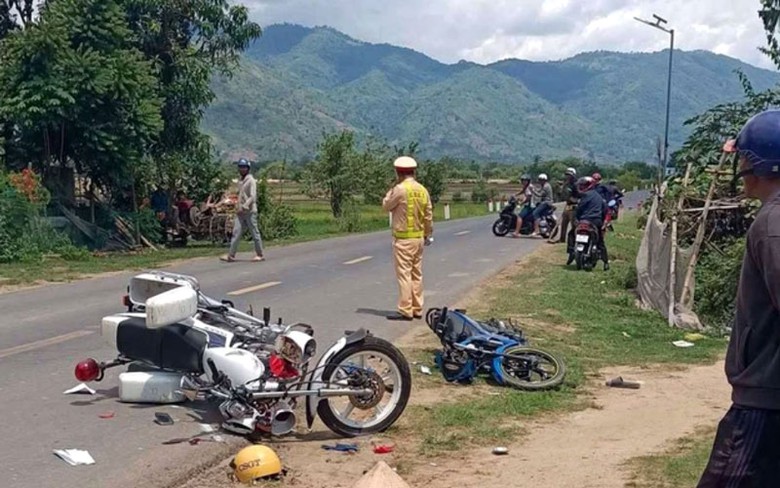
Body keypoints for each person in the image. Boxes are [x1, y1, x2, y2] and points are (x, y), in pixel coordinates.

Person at [696, 109, 780, 488]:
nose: (740, 166)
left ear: (761, 162)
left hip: (765, 407)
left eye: (743, 157)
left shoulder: (773, 224)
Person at [382, 156, 433, 321]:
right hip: (418, 238)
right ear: (413, 172)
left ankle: (405, 309)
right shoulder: (422, 190)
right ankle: (417, 308)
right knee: (417, 274)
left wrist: (391, 189)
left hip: (404, 240)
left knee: (404, 275)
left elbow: (386, 206)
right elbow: (428, 215)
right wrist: (427, 234)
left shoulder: (399, 189)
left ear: (398, 172)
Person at [221, 159, 265, 263]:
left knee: (254, 232)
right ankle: (231, 255)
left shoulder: (251, 180)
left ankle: (260, 254)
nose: (242, 169)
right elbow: (240, 195)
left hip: (250, 211)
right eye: (240, 167)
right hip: (240, 211)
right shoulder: (241, 181)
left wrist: (245, 205)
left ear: (248, 168)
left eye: (244, 167)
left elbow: (253, 196)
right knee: (236, 232)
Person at [569, 176, 609, 271]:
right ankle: (606, 262)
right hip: (596, 221)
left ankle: (571, 253)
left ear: (589, 185)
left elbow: (579, 209)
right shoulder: (599, 197)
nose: (582, 187)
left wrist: (576, 218)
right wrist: (603, 221)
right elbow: (605, 210)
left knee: (571, 234)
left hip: (584, 220)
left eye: (584, 185)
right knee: (600, 242)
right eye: (581, 185)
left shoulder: (585, 196)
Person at [552, 167, 579, 244]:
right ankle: (562, 239)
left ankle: (575, 239)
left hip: (574, 206)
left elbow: (579, 196)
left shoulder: (576, 185)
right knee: (564, 223)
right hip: (567, 205)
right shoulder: (566, 184)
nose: (567, 176)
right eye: (567, 175)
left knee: (573, 224)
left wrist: (573, 199)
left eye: (569, 175)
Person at [511, 173, 533, 237]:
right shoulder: (526, 186)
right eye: (522, 180)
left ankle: (516, 232)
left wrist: (521, 203)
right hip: (529, 204)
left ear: (528, 181)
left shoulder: (529, 187)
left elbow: (528, 198)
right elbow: (523, 191)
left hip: (530, 205)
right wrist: (515, 194)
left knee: (520, 216)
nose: (523, 182)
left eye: (525, 180)